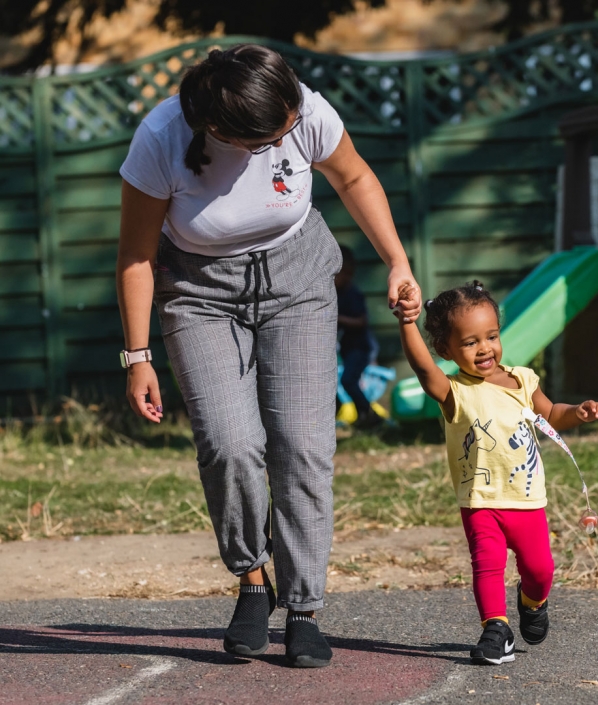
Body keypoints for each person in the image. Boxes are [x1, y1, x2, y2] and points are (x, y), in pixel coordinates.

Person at [116, 44, 421, 669]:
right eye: (274, 134)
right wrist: (137, 355)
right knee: (230, 442)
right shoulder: (161, 139)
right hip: (200, 294)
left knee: (303, 444)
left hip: (299, 281)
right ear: (223, 131)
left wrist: (398, 261)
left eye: (291, 121)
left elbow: (354, 176)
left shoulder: (300, 106)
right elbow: (137, 256)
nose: (293, 130)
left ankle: (304, 608)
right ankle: (254, 580)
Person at [395, 280, 598, 665]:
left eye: (491, 336)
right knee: (487, 566)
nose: (484, 348)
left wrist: (577, 412)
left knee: (540, 569)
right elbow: (424, 370)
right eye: (470, 342)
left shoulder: (524, 380)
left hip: (527, 502)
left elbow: (551, 414)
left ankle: (532, 602)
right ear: (446, 350)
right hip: (481, 502)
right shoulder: (454, 392)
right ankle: (496, 629)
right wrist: (407, 323)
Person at [335, 245, 383, 427]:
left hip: (360, 347)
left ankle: (368, 415)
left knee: (348, 380)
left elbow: (362, 321)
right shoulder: (336, 293)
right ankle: (362, 416)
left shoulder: (352, 294)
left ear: (346, 273)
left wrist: (338, 318)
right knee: (341, 381)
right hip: (348, 348)